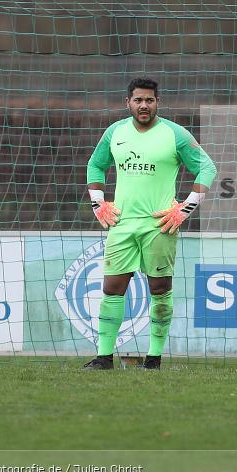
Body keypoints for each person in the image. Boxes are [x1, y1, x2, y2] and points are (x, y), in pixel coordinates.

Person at [84, 77, 217, 370]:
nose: (144, 105)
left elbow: (206, 167)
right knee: (112, 287)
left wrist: (186, 208)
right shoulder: (114, 132)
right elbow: (96, 164)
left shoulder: (175, 134)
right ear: (128, 103)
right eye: (138, 100)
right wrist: (98, 202)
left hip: (160, 225)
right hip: (121, 223)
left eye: (149, 100)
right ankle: (104, 358)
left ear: (158, 102)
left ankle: (154, 358)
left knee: (159, 289)